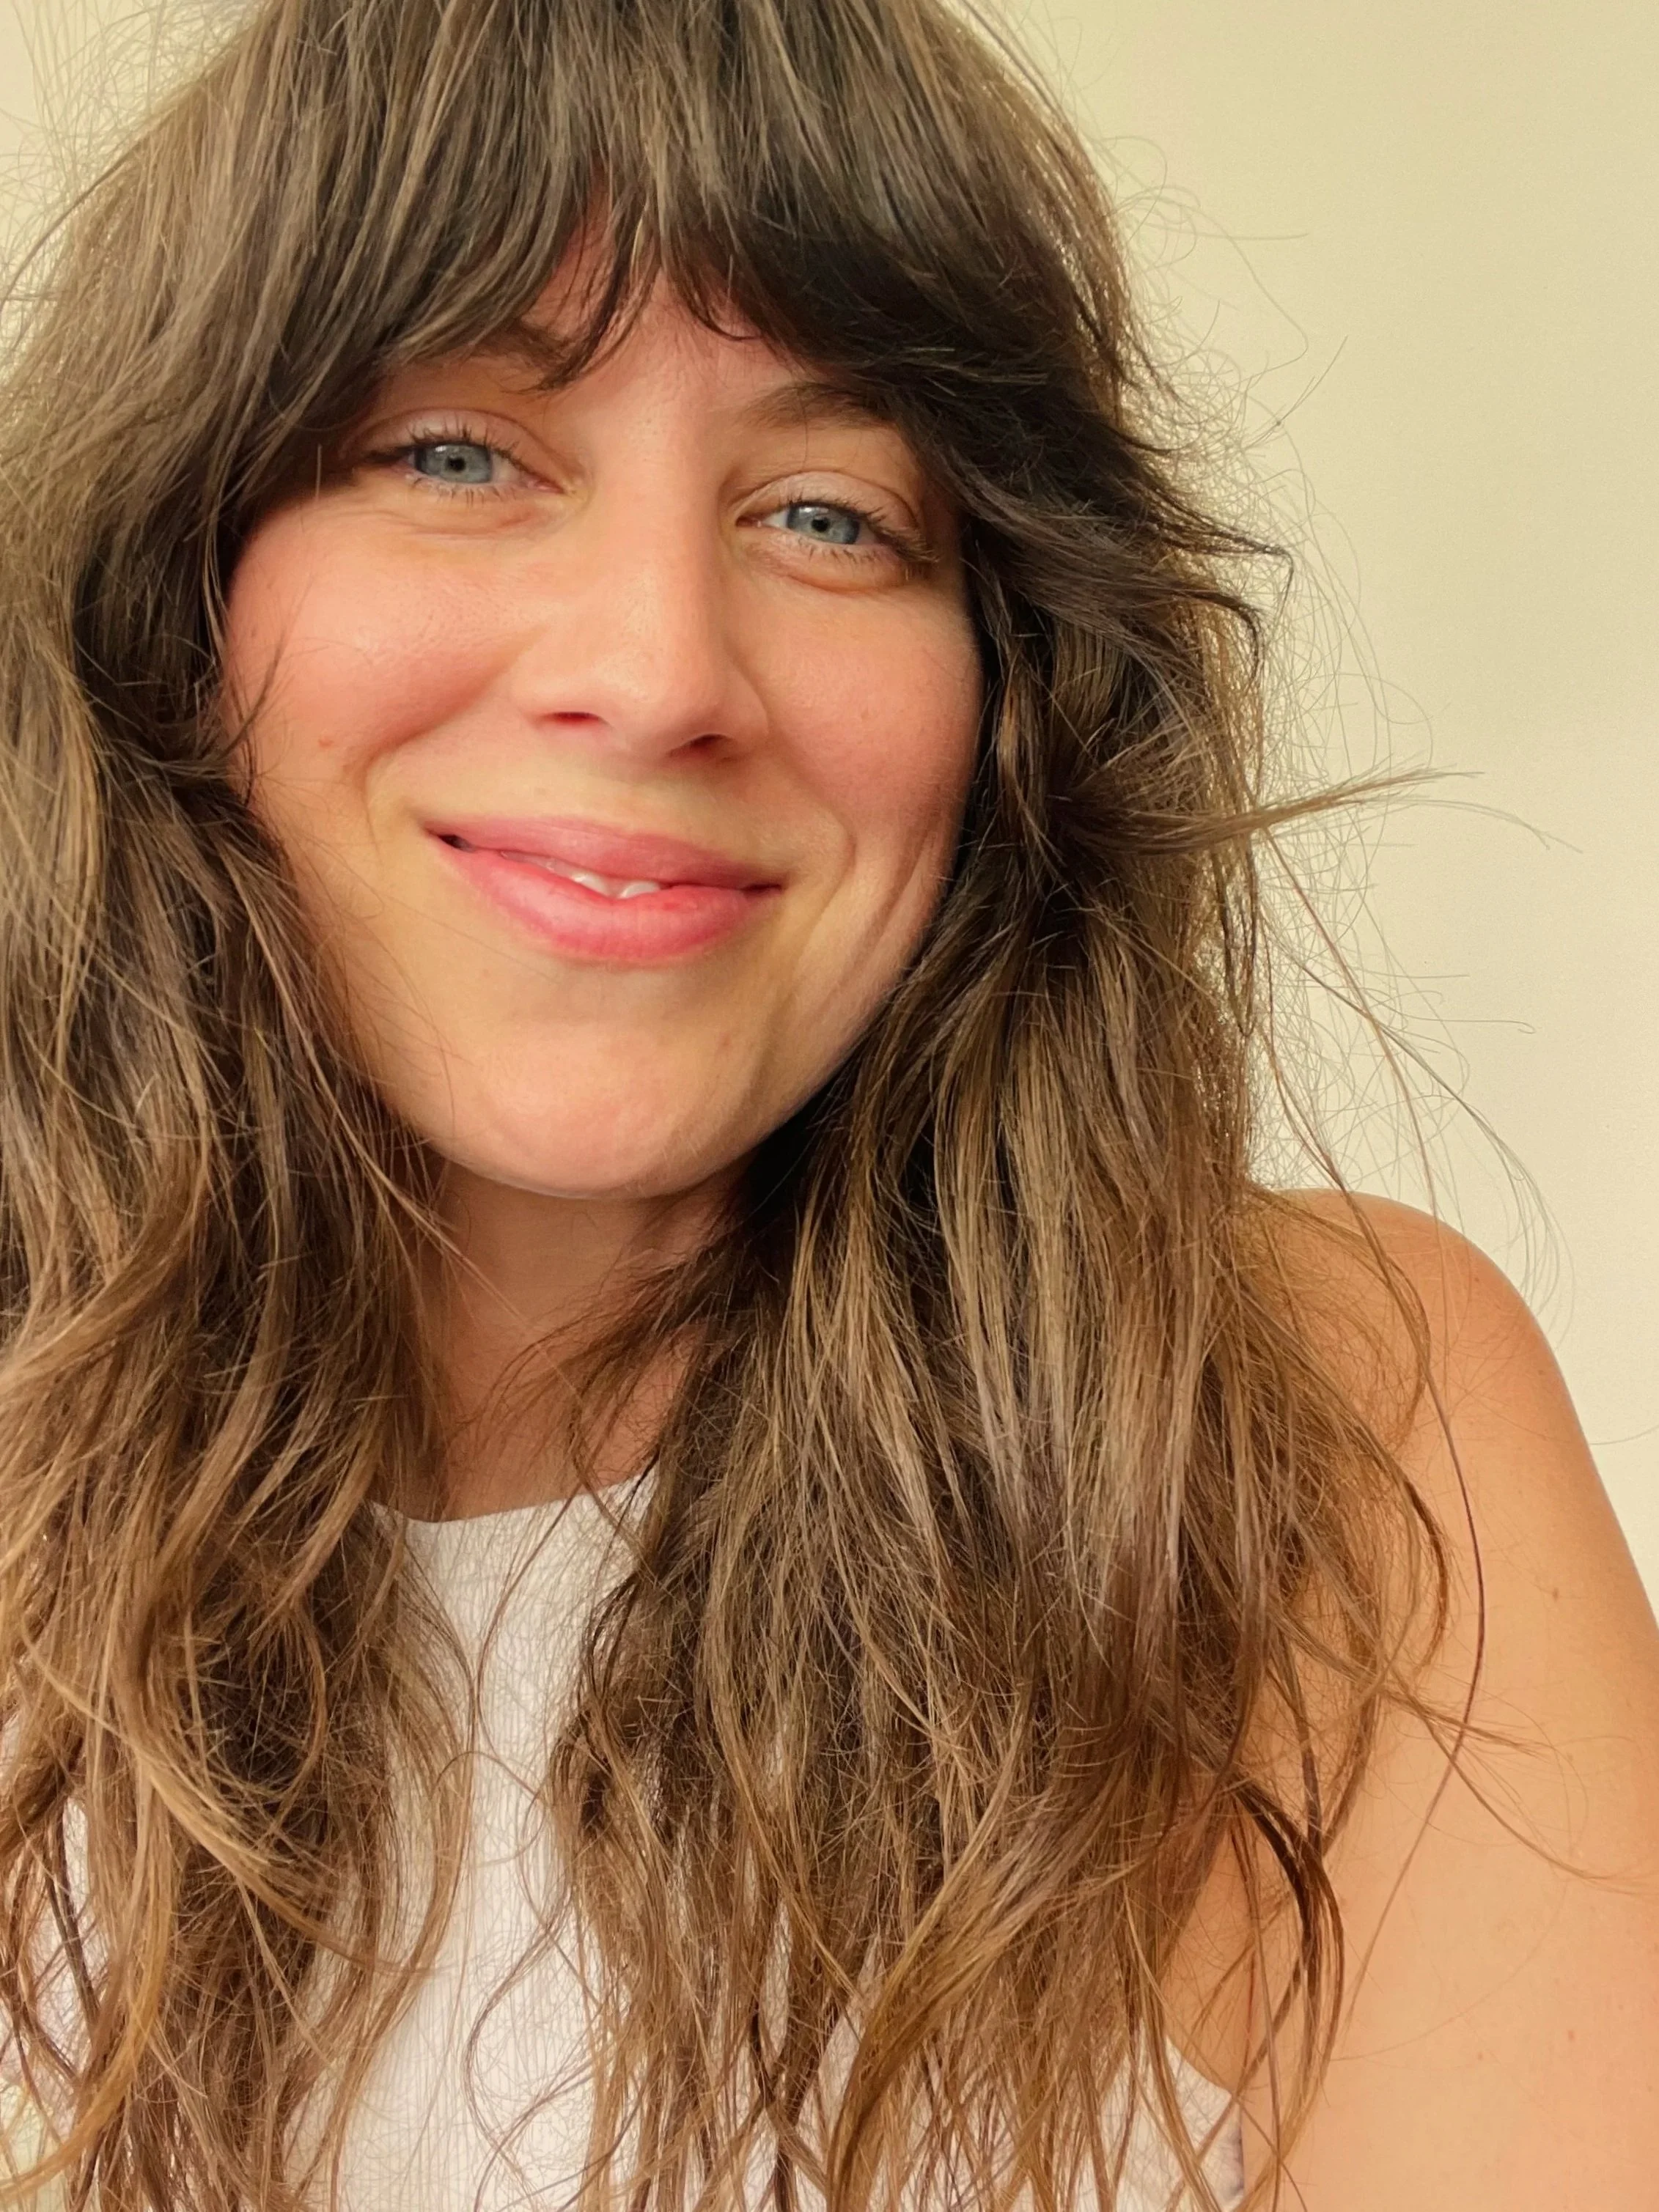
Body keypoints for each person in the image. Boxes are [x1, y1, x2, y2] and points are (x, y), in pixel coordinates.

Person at [0, 0, 1654, 2207]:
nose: (666, 666)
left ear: (1008, 696)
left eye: (827, 513)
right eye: (459, 455)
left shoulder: (1310, 1444)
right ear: (164, 587)